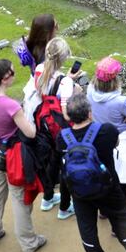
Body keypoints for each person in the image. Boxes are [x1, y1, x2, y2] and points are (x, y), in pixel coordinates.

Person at [58, 94, 126, 252]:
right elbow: (117, 144)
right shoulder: (107, 131)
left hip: (79, 192)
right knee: (121, 220)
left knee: (87, 231)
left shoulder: (62, 137)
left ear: (69, 117)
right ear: (90, 113)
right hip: (109, 189)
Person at [0, 59, 47, 252]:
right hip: (13, 157)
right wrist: (26, 114)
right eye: (13, 73)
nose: (15, 76)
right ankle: (29, 242)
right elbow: (31, 132)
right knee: (19, 196)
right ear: (5, 79)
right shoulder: (11, 105)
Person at [87, 57, 126, 204]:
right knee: (121, 181)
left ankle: (104, 211)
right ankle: (122, 221)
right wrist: (125, 117)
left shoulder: (90, 92)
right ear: (114, 80)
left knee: (104, 174)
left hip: (100, 138)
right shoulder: (120, 101)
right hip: (121, 141)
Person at [35, 37, 80, 219]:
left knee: (51, 161)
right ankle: (64, 207)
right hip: (60, 129)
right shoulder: (65, 83)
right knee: (64, 164)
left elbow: (43, 91)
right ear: (63, 58)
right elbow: (65, 112)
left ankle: (47, 198)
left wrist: (66, 79)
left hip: (43, 122)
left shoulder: (39, 70)